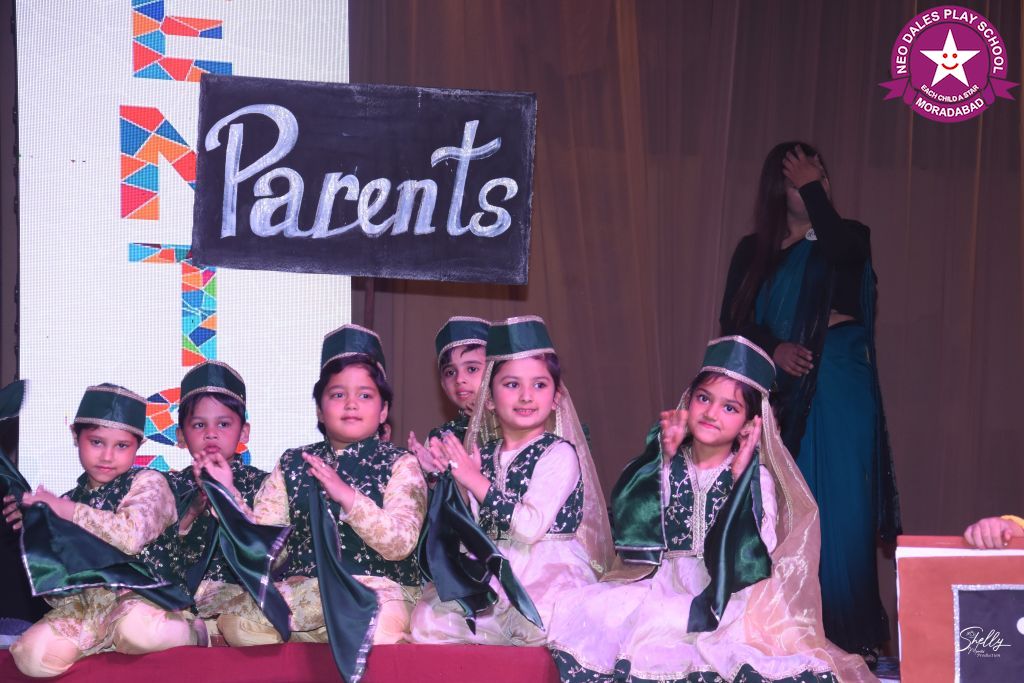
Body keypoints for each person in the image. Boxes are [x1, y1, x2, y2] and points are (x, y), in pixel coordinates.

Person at [547, 336, 873, 682]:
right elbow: (633, 520)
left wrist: (740, 481)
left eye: (730, 408)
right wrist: (658, 458)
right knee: (600, 611)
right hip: (665, 584)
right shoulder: (666, 465)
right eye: (704, 398)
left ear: (749, 424)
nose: (712, 412)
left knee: (720, 644)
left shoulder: (755, 478)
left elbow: (756, 553)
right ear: (688, 401)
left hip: (730, 594)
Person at [719, 142, 899, 659]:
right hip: (782, 392)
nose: (812, 179)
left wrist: (815, 193)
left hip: (841, 382)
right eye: (798, 174)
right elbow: (733, 321)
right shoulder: (753, 252)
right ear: (777, 188)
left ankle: (849, 639)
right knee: (783, 509)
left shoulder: (848, 236)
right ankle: (786, 634)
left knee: (844, 506)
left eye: (818, 172)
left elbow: (842, 253)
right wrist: (774, 348)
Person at [203, 324, 428, 652]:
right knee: (236, 624)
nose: (351, 404)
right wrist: (228, 496)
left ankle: (321, 637)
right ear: (320, 410)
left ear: (383, 411)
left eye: (365, 395)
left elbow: (400, 543)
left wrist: (348, 498)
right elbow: (265, 550)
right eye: (338, 395)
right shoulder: (294, 462)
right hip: (309, 593)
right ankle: (319, 635)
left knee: (373, 625)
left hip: (375, 590)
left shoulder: (401, 463)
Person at [410, 315, 613, 646]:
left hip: (547, 570)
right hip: (493, 568)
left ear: (556, 396)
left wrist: (474, 480)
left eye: (539, 385)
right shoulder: (485, 454)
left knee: (539, 622)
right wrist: (448, 481)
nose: (526, 396)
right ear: (489, 398)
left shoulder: (559, 453)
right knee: (427, 621)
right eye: (512, 385)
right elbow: (474, 529)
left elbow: (530, 527)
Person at [5, 384, 201, 678]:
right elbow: (59, 586)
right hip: (89, 611)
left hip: (147, 599)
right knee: (31, 656)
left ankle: (192, 631)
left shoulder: (150, 483)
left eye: (122, 446)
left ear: (138, 446)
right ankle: (103, 641)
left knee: (138, 632)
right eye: (96, 442)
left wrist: (64, 511)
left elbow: (130, 536)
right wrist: (35, 529)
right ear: (76, 436)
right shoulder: (70, 499)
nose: (108, 456)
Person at [167, 361, 274, 640]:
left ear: (244, 432)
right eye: (199, 425)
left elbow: (267, 554)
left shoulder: (265, 485)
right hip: (179, 604)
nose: (211, 433)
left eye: (223, 424)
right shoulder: (166, 487)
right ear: (180, 435)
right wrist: (191, 511)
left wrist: (226, 496)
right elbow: (156, 557)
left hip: (241, 603)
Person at [408, 316, 490, 479]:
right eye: (450, 372)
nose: (459, 379)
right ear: (442, 384)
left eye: (472, 369)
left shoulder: (516, 427)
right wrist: (433, 474)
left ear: (494, 371)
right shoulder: (440, 438)